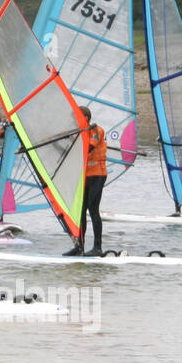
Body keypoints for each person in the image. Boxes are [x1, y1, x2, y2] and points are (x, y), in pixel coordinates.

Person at [67, 105, 106, 256]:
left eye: (77, 118)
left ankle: (97, 247)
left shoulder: (96, 130)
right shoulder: (78, 133)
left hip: (98, 175)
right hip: (84, 177)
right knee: (80, 211)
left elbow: (87, 148)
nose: (74, 121)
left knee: (92, 208)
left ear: (86, 119)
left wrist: (73, 139)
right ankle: (80, 246)